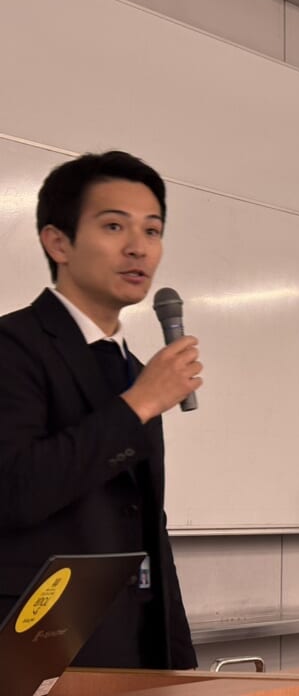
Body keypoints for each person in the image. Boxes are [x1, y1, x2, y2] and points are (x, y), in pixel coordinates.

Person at [0, 151, 201, 669]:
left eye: (152, 230)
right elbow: (15, 489)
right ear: (58, 242)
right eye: (114, 226)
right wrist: (138, 405)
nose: (139, 247)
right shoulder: (12, 345)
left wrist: (180, 663)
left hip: (134, 650)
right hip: (35, 651)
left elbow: (148, 524)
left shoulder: (136, 369)